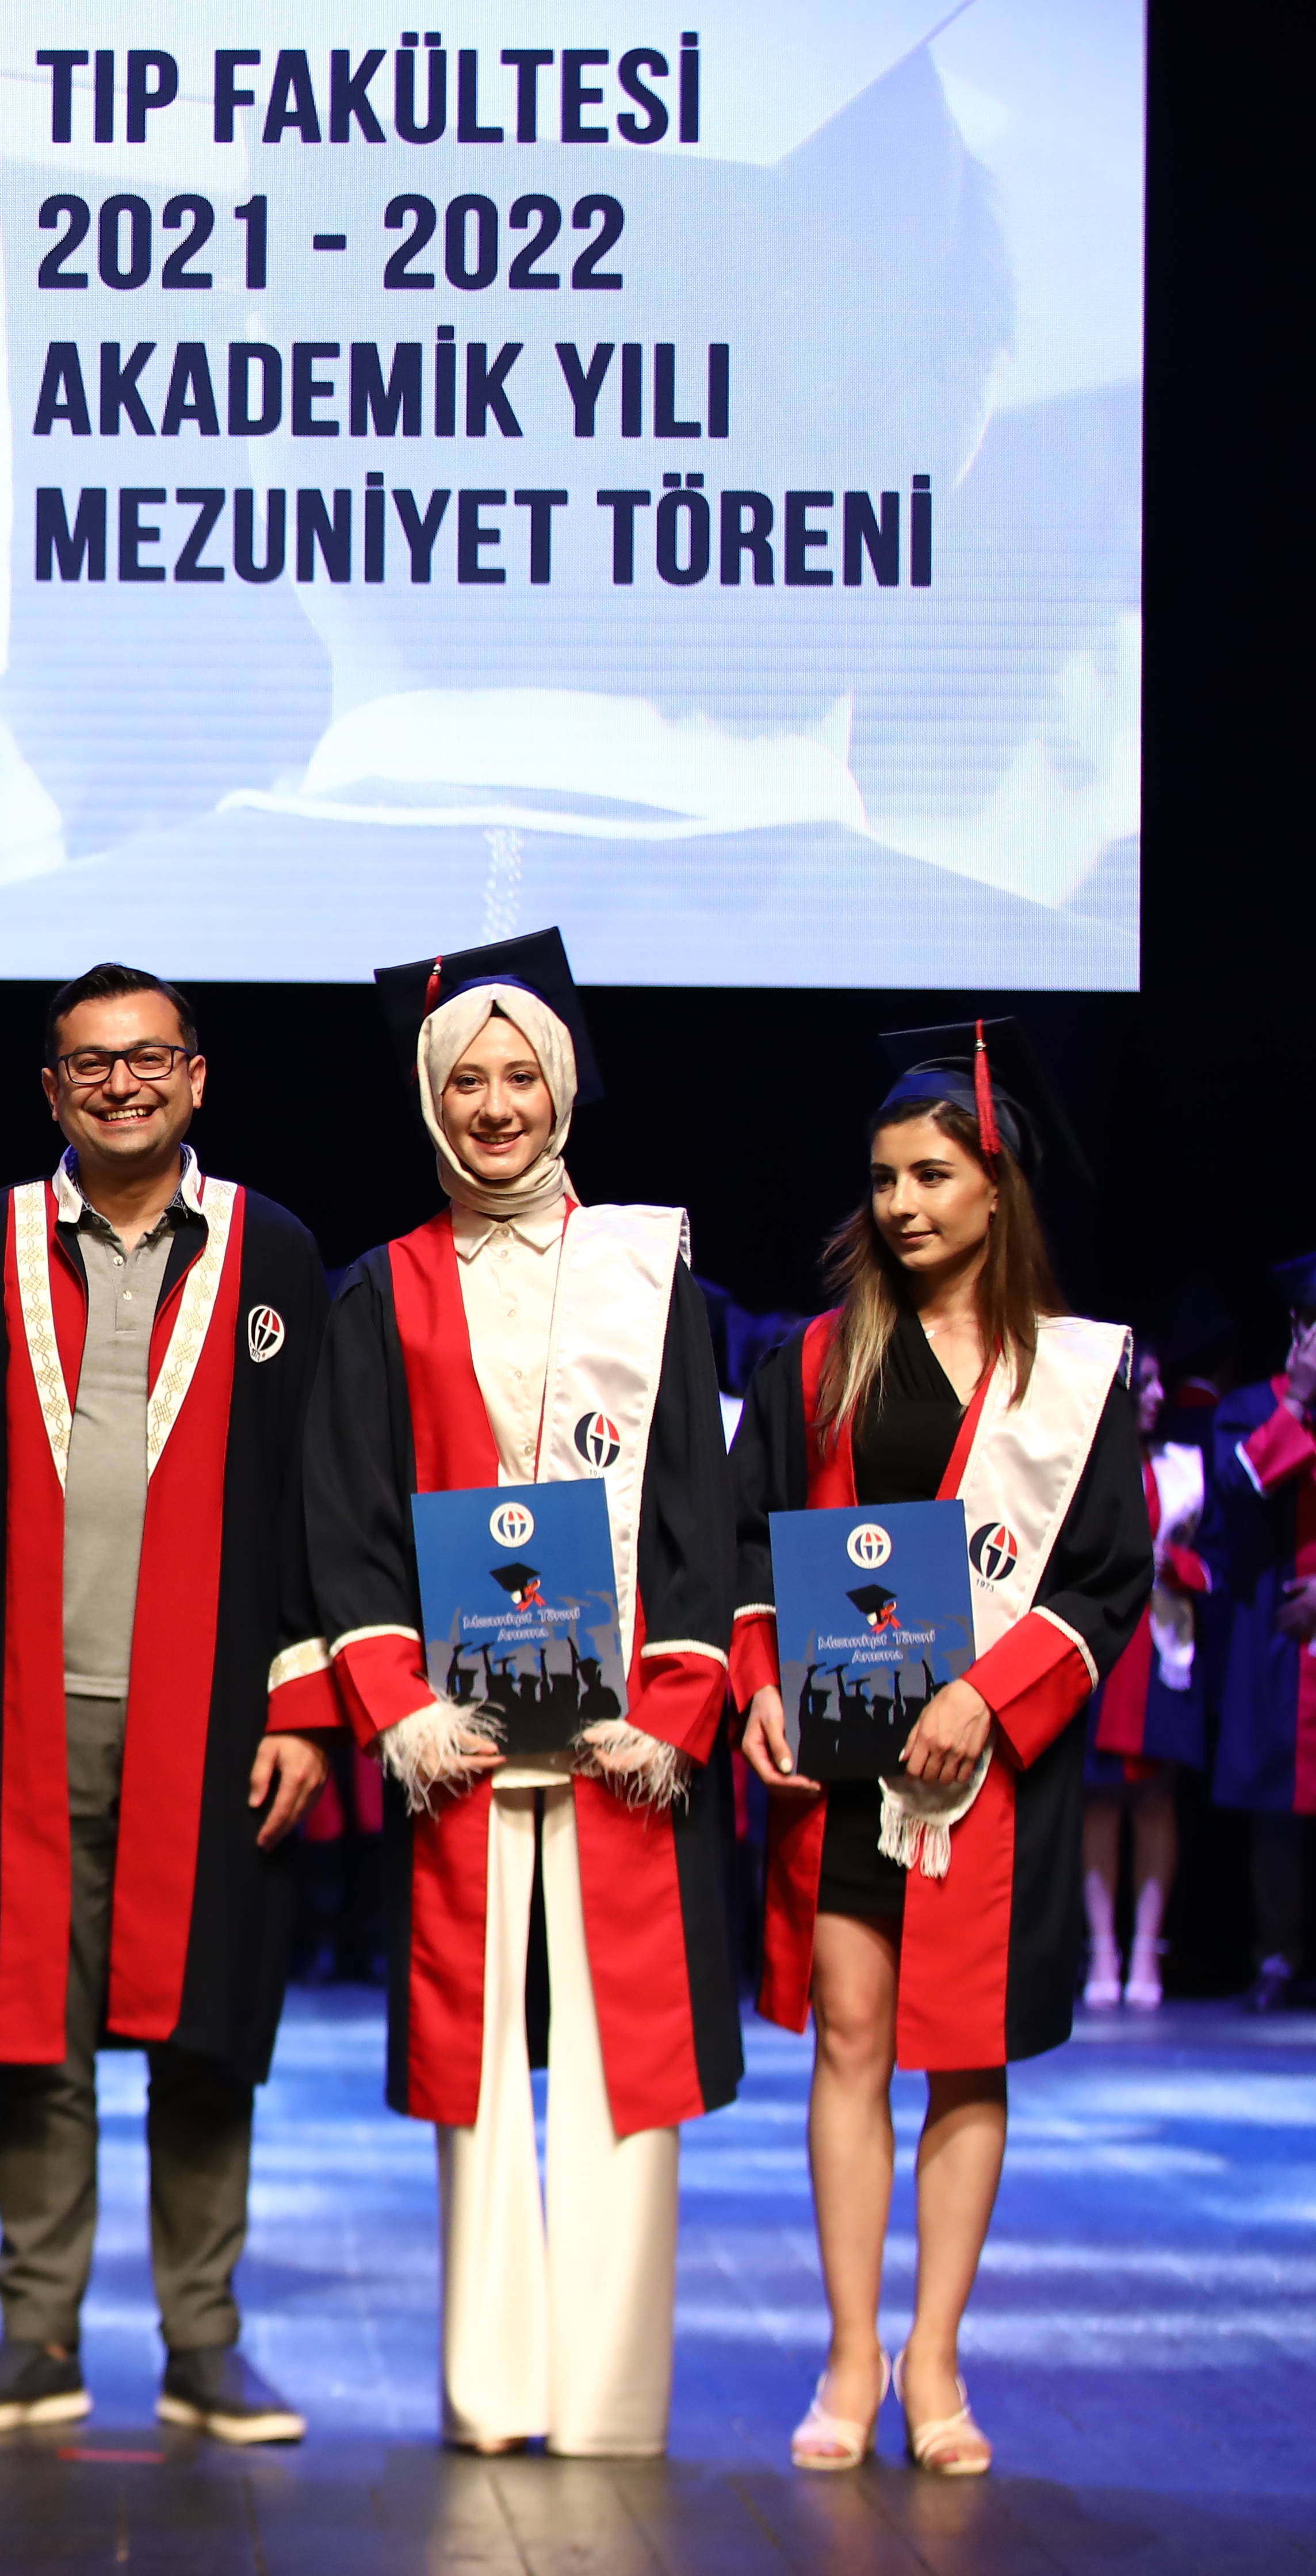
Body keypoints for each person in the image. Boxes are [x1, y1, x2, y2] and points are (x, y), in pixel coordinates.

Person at [300, 930, 741, 2460]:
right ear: (432, 1102)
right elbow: (347, 1517)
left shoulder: (649, 1273)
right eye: (467, 1082)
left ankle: (611, 2400)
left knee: (628, 2067)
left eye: (520, 1079)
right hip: (465, 1733)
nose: (495, 1107)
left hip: (620, 1732)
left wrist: (674, 1705)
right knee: (476, 2075)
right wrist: (400, 1703)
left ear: (561, 1091)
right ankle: (492, 2392)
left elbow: (697, 1508)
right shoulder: (383, 1290)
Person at [0, 963, 333, 2444]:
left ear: (198, 1077)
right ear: (51, 1088)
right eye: (90, 1062)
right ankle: (37, 2333)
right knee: (38, 2029)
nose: (122, 1083)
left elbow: (316, 1495)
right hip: (27, 1707)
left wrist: (303, 1702)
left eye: (150, 1057)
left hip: (212, 1714)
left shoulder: (274, 1250)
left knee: (204, 2025)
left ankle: (205, 2339)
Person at [731, 1018, 1149, 2476]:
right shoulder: (817, 1362)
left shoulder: (1074, 1379)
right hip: (850, 1758)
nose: (901, 1203)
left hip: (994, 1772)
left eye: (930, 1175)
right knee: (852, 2038)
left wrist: (994, 1695)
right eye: (883, 1179)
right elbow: (751, 1544)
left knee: (967, 2057)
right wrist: (761, 1679)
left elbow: (1104, 1575)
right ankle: (851, 2351)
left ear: (997, 1185)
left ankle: (936, 2356)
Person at [1202, 1255, 1316, 2011]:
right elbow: (1234, 1494)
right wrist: (1299, 1404)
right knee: (1277, 1801)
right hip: (1274, 1632)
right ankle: (1277, 1954)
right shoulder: (1252, 1407)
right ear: (1298, 1330)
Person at [1081, 1351, 1210, 2008]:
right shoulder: (1082, 1465)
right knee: (1100, 1800)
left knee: (1158, 1798)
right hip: (1102, 1648)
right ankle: (1103, 1947)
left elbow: (1221, 1556)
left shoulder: (1185, 1469)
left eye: (1162, 1381)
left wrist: (1179, 1565)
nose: (1158, 1395)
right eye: (1146, 1382)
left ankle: (1146, 1950)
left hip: (1165, 1648)